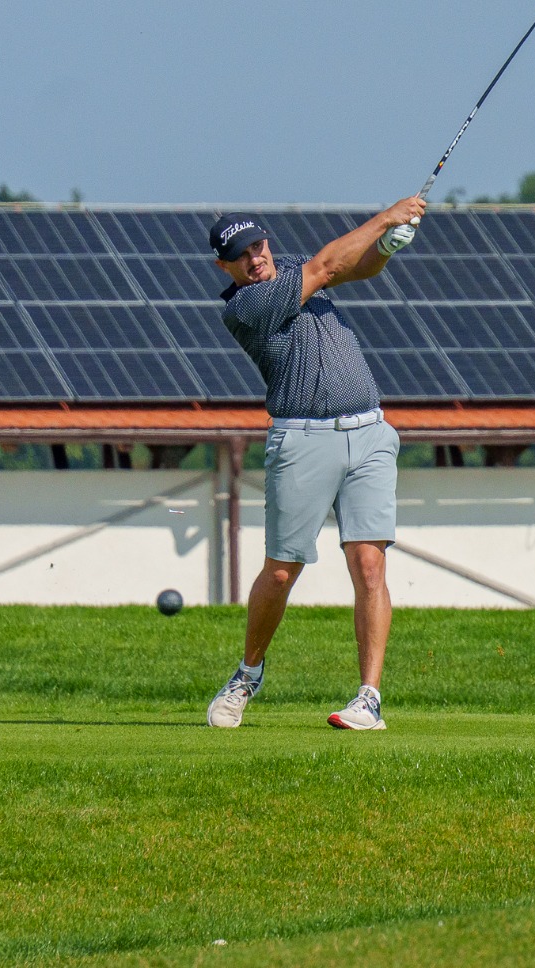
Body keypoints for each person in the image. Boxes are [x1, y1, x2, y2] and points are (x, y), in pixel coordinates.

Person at [203, 197, 425, 730]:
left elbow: (354, 267)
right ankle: (248, 673)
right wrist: (385, 218)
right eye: (241, 255)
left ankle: (369, 698)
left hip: (369, 432)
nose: (255, 258)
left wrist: (385, 248)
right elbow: (327, 267)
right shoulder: (245, 307)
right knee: (282, 570)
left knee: (369, 564)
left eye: (258, 246)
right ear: (224, 267)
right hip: (302, 440)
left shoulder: (294, 269)